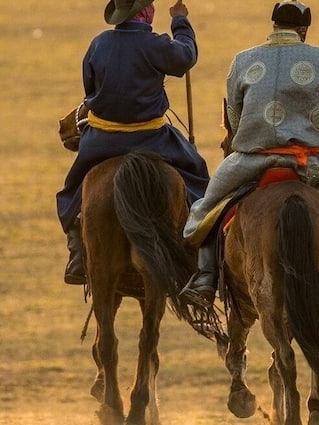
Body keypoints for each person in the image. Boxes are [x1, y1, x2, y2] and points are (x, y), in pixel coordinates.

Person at [179, 0, 319, 306]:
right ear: (303, 29)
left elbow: (236, 118)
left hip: (250, 161)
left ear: (274, 27)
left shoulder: (242, 60)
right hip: (307, 163)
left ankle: (204, 277)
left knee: (209, 208)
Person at [57, 0, 210, 286]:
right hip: (151, 138)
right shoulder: (155, 44)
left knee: (73, 189)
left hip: (102, 140)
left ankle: (77, 252)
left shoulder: (98, 44)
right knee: (197, 173)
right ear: (145, 13)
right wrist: (180, 21)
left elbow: (90, 90)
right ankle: (197, 254)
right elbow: (186, 57)